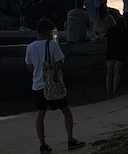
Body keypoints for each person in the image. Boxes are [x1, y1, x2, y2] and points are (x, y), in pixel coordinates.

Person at [24, 18, 85, 152]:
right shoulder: (52, 45)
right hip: (52, 85)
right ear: (47, 31)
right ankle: (70, 139)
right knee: (66, 112)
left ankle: (43, 144)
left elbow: (29, 67)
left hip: (37, 86)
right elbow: (59, 63)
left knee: (40, 115)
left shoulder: (30, 47)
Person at [105, 8, 127, 97]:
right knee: (116, 71)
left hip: (110, 50)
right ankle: (115, 91)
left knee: (109, 72)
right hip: (120, 50)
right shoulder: (124, 30)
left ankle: (107, 91)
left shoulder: (111, 29)